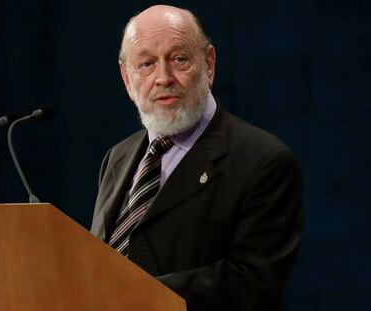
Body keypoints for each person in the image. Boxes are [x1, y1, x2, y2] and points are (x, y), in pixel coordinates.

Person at [91, 5, 303, 310]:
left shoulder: (264, 160)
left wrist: (132, 293)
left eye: (178, 59)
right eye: (147, 64)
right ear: (127, 78)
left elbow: (253, 282)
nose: (163, 77)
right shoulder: (118, 157)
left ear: (209, 64)